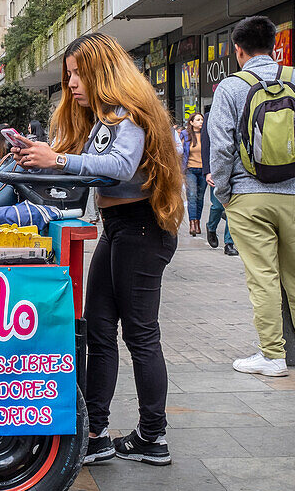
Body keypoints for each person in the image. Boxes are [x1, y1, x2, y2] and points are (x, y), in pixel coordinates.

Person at [13, 33, 183, 466]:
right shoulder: (107, 119)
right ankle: (97, 432)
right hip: (118, 228)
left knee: (141, 334)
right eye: (69, 75)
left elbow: (121, 167)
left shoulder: (129, 115)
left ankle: (153, 436)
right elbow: (90, 168)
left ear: (100, 71)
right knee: (101, 330)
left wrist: (60, 160)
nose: (70, 84)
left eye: (76, 74)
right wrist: (44, 155)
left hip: (142, 229)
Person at [209, 16, 295, 377]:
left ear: (238, 50)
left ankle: (272, 356)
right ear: (273, 45)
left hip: (248, 195)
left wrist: (223, 193)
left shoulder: (230, 88)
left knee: (262, 276)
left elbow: (220, 148)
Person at [202, 112, 237, 256]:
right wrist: (208, 171)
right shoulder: (210, 116)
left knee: (232, 208)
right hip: (217, 169)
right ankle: (211, 227)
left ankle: (229, 243)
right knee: (217, 206)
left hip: (235, 169)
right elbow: (206, 144)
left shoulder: (238, 111)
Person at [182, 112, 207, 236]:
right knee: (192, 196)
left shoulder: (206, 136)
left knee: (200, 198)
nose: (201, 122)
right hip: (190, 170)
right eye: (198, 120)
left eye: (202, 120)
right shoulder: (185, 135)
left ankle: (198, 222)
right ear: (191, 122)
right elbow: (180, 152)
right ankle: (192, 223)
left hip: (203, 170)